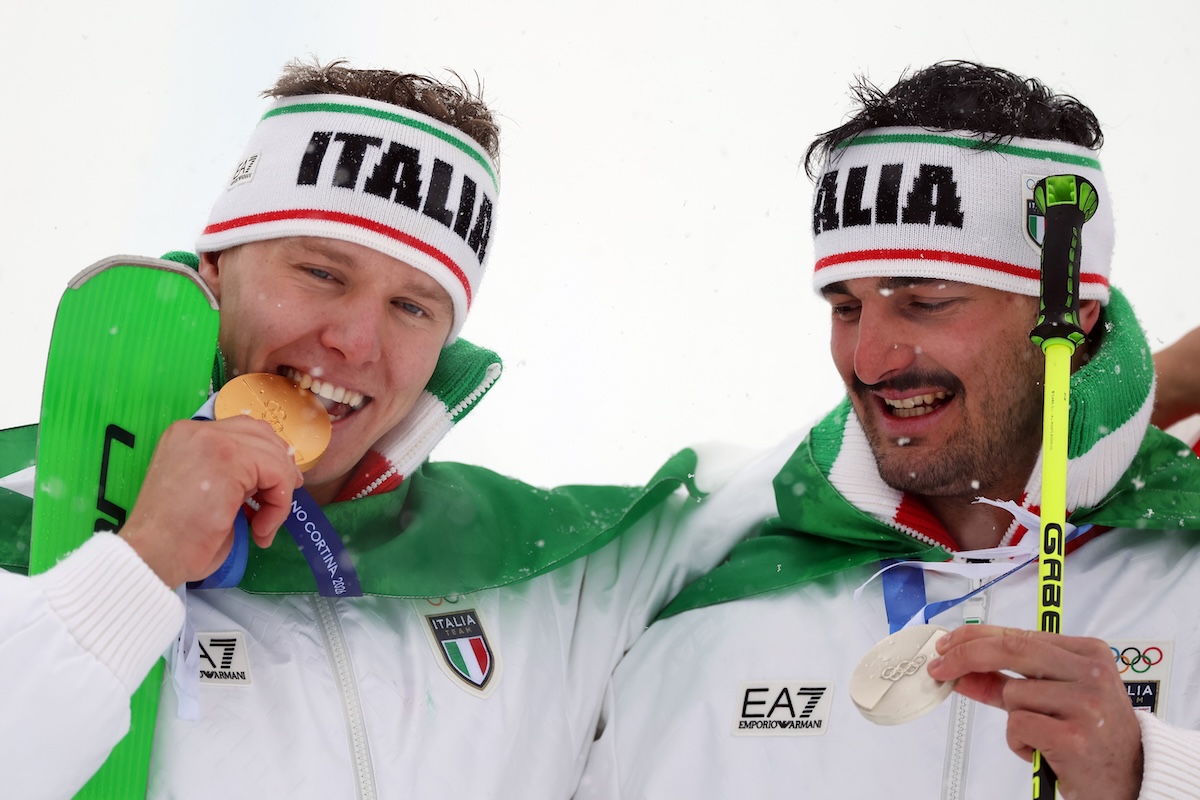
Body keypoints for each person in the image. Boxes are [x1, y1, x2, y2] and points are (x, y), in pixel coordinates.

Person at [0, 59, 766, 798]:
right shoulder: (23, 518)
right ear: (215, 269)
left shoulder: (550, 574)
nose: (356, 343)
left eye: (413, 306)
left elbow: (795, 503)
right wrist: (137, 565)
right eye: (322, 273)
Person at [576, 61, 1200, 800]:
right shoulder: (707, 599)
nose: (869, 359)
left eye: (927, 301)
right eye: (845, 307)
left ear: (1072, 314)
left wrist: (1152, 778)